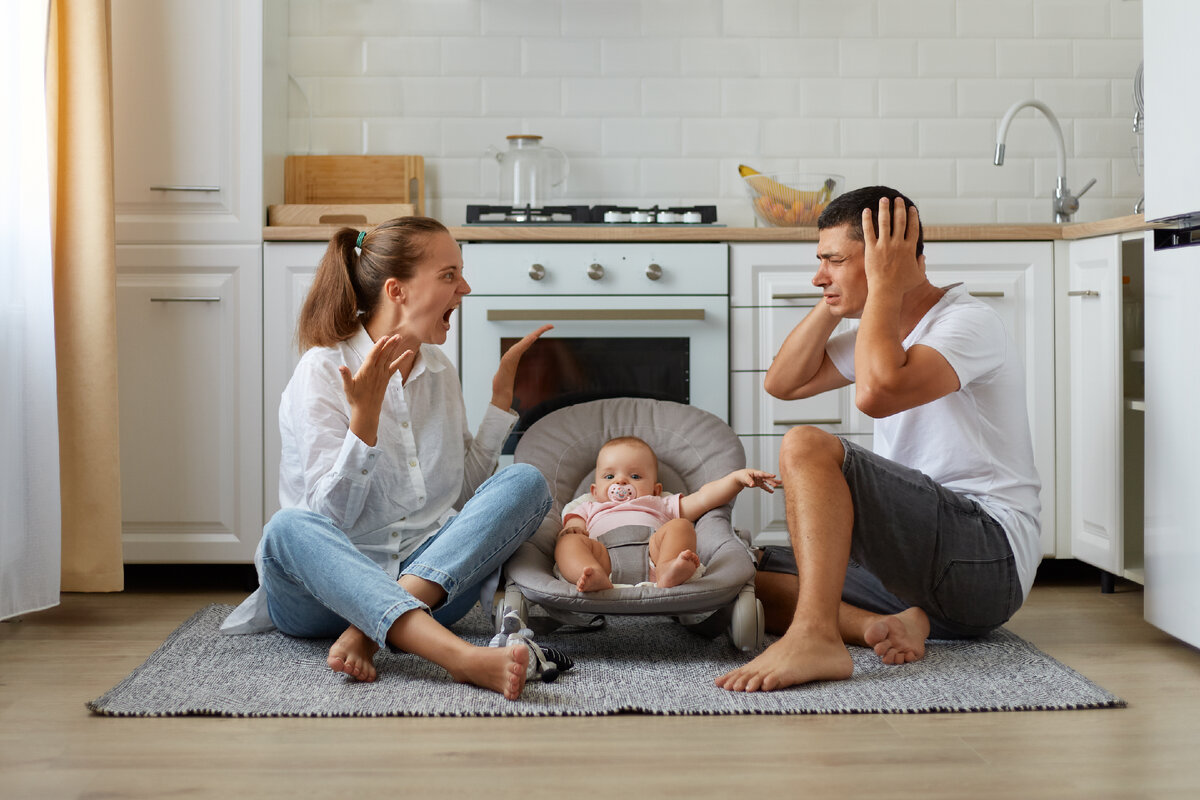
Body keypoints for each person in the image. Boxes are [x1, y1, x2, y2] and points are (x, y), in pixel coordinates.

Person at [715, 186, 1041, 693]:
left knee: (805, 444)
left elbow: (876, 394)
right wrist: (836, 296)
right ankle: (885, 625)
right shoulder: (883, 332)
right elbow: (783, 382)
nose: (817, 274)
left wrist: (884, 285)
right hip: (915, 577)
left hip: (984, 561)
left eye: (834, 260)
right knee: (735, 576)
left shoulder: (968, 323)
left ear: (891, 257)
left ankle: (815, 634)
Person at [220, 216, 554, 701]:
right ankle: (459, 657)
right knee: (287, 530)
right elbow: (328, 520)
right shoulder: (321, 369)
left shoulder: (439, 370)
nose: (464, 287)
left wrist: (501, 403)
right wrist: (365, 421)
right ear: (397, 291)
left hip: (427, 580)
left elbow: (459, 497)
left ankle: (369, 631)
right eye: (448, 275)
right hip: (322, 593)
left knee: (526, 481)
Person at [555, 435, 781, 592]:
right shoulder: (588, 506)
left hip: (654, 553)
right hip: (604, 558)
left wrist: (735, 480)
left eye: (635, 477)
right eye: (609, 476)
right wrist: (572, 530)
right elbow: (574, 525)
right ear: (594, 491)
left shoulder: (660, 503)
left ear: (656, 489)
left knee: (681, 526)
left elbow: (704, 497)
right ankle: (591, 575)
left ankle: (669, 569)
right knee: (569, 542)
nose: (621, 481)